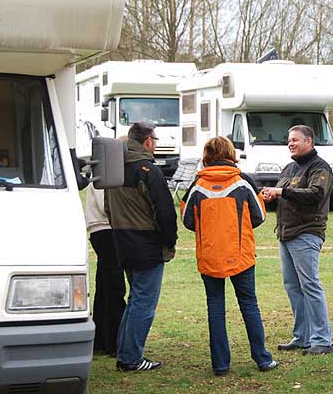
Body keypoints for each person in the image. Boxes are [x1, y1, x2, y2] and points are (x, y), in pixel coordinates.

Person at [181, 137, 278, 376]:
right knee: (249, 305)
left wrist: (209, 231)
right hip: (240, 254)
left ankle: (220, 365)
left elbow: (186, 220)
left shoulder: (197, 185)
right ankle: (262, 359)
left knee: (215, 308)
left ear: (207, 155)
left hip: (209, 254)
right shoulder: (243, 182)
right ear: (231, 154)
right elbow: (260, 216)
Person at [105, 122, 177, 372]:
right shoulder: (148, 170)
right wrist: (169, 241)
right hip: (146, 243)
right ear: (148, 141)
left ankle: (125, 352)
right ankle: (131, 358)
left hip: (121, 240)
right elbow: (165, 212)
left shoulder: (114, 168)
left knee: (135, 299)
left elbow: (107, 207)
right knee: (144, 303)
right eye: (155, 140)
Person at [262, 125, 333, 355]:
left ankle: (322, 339)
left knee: (310, 285)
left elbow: (315, 195)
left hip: (306, 233)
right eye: (288, 140)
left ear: (309, 141)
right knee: (293, 287)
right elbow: (283, 199)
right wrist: (271, 197)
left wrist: (281, 192)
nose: (290, 143)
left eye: (295, 140)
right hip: (286, 234)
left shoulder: (320, 167)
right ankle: (302, 337)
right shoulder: (288, 168)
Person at [85, 182, 126, 356]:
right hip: (106, 230)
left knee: (104, 286)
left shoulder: (100, 177)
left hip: (101, 230)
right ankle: (115, 340)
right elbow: (106, 206)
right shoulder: (105, 178)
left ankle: (101, 339)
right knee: (114, 287)